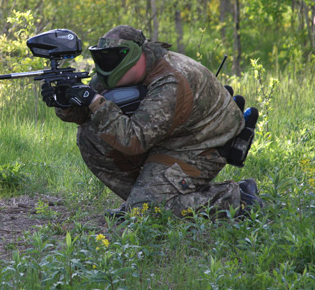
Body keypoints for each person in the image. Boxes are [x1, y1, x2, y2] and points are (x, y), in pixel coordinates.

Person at [41, 25, 263, 218]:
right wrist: (66, 103)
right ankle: (143, 201)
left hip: (202, 144)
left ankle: (237, 198)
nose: (105, 66)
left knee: (148, 210)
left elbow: (134, 140)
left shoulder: (170, 81)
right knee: (90, 135)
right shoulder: (114, 71)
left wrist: (94, 101)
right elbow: (88, 115)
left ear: (136, 55)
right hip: (170, 137)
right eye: (102, 58)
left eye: (112, 58)